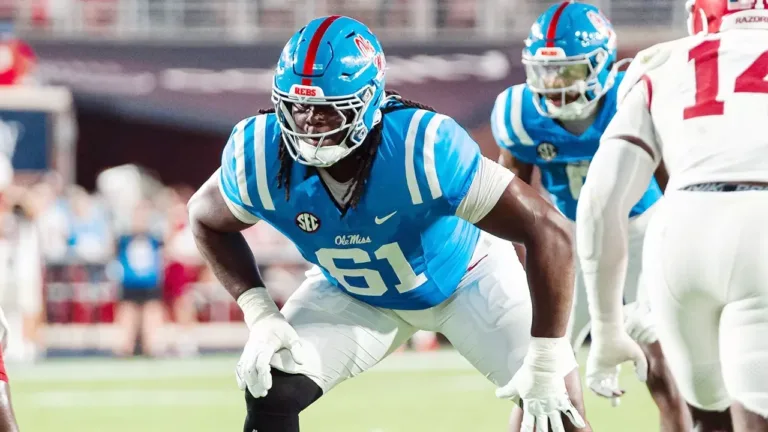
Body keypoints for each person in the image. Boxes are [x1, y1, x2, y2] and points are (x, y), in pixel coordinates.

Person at [189, 15, 589, 432]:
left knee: (559, 409)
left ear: (368, 103)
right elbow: (204, 218)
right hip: (356, 292)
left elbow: (550, 231)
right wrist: (260, 314)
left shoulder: (422, 147)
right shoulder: (260, 153)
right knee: (270, 384)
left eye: (327, 110)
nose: (309, 123)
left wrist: (546, 357)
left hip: (467, 281)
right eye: (297, 106)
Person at [489, 2, 691, 430]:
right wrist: (526, 266)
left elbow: (674, 187)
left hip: (642, 231)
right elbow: (513, 202)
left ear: (601, 64)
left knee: (662, 363)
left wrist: (670, 257)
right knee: (543, 371)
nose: (554, 85)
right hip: (570, 239)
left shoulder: (631, 97)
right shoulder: (519, 114)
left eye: (568, 71)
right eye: (545, 72)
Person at [575, 0, 768, 430]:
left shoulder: (660, 63)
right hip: (762, 225)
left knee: (706, 416)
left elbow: (600, 202)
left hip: (681, 229)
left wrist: (606, 328)